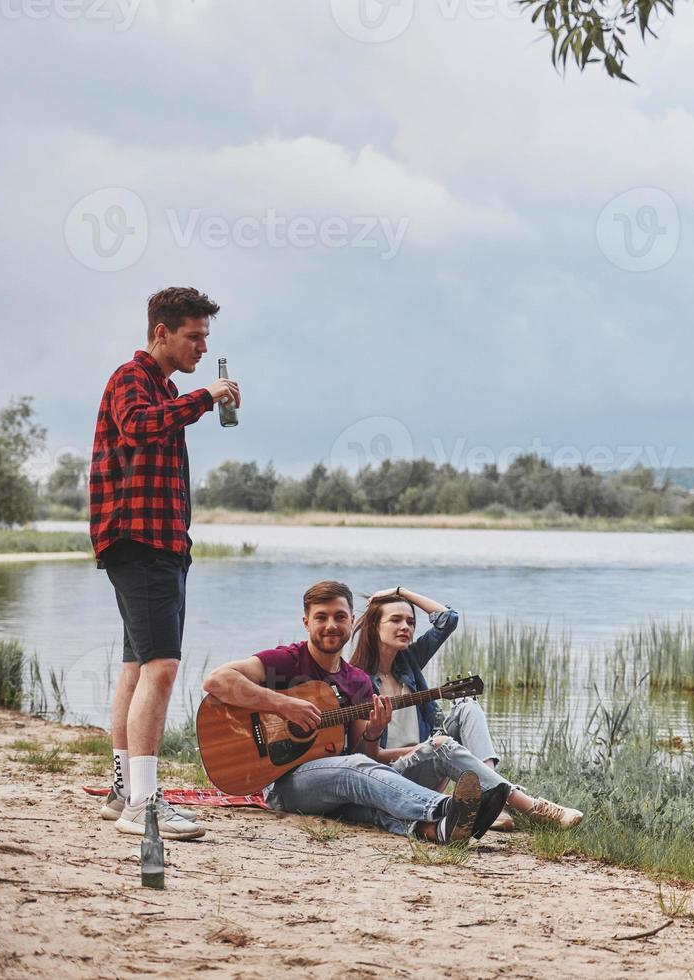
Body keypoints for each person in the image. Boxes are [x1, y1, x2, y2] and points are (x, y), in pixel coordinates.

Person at [92, 286, 240, 840]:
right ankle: (145, 807)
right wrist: (206, 397)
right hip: (140, 543)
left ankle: (122, 792)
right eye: (194, 336)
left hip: (158, 545)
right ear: (162, 333)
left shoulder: (163, 389)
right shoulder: (132, 380)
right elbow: (138, 425)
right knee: (163, 668)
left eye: (206, 337)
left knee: (137, 668)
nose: (202, 347)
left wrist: (194, 398)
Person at [201, 581, 505, 843]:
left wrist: (374, 731)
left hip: (337, 786)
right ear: (306, 622)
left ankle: (439, 829)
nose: (331, 624)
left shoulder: (357, 680)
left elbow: (367, 754)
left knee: (364, 795)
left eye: (339, 616)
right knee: (353, 768)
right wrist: (283, 704)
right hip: (284, 783)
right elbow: (216, 680)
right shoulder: (287, 661)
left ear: (351, 622)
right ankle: (446, 807)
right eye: (321, 617)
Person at [348, 587, 583, 830]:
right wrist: (425, 748)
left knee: (467, 707)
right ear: (375, 626)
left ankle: (491, 798)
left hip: (426, 767)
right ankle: (531, 807)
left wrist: (401, 591)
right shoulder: (357, 680)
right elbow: (366, 758)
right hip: (390, 779)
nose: (405, 627)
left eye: (410, 621)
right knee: (438, 744)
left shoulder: (408, 662)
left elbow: (448, 619)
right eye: (395, 620)